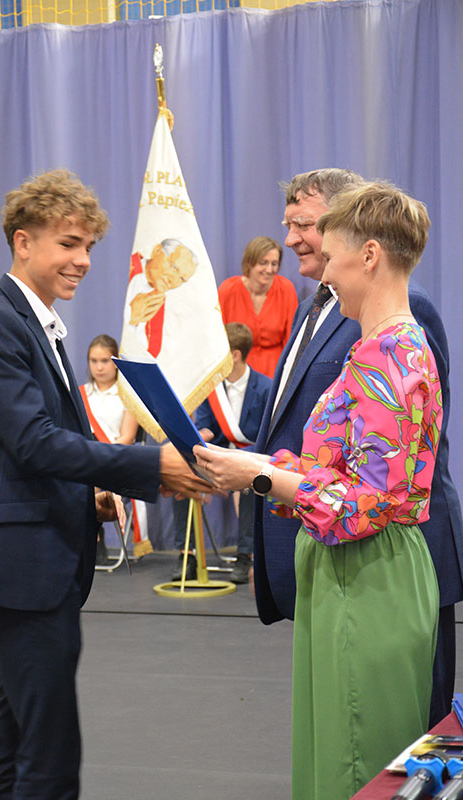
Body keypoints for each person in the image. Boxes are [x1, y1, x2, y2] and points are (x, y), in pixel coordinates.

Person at [0, 169, 212, 800]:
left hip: (35, 564)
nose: (84, 260)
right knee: (49, 760)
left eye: (89, 246)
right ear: (23, 242)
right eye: (69, 243)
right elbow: (34, 442)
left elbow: (28, 454)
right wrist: (151, 466)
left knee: (20, 742)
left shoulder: (34, 323)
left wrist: (87, 496)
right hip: (18, 569)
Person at [195, 181, 441, 799]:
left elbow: (364, 505)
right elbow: (337, 470)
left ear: (370, 255)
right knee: (338, 754)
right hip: (350, 574)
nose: (323, 274)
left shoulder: (393, 355)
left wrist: (257, 477)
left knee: (356, 766)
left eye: (331, 258)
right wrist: (258, 463)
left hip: (368, 575)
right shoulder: (379, 348)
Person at [252, 168, 463, 729]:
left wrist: (263, 478)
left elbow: (409, 459)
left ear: (364, 247)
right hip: (337, 552)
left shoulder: (399, 323)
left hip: (383, 559)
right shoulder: (319, 306)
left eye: (308, 225)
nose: (294, 239)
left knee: (403, 740)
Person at [171, 322, 271, 583]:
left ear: (235, 355)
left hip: (250, 459)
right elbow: (205, 429)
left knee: (255, 482)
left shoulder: (266, 388)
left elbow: (267, 438)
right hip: (216, 458)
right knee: (180, 477)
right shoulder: (211, 389)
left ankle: (245, 555)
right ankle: (187, 554)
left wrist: (243, 459)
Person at [79, 334, 151, 563]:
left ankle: (93, 532)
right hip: (85, 461)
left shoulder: (127, 395)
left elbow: (127, 438)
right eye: (94, 361)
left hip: (118, 460)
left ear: (116, 362)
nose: (99, 367)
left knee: (88, 477)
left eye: (105, 361)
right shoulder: (79, 394)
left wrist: (99, 457)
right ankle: (90, 534)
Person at [218, 236, 298, 378]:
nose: (269, 269)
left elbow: (291, 340)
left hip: (276, 373)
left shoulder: (286, 289)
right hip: (236, 372)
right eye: (263, 263)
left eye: (274, 264)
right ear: (250, 263)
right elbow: (219, 337)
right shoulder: (228, 290)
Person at [124, 239, 198, 357]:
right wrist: (130, 316)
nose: (173, 280)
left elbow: (151, 351)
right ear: (156, 251)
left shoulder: (157, 300)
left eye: (182, 279)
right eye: (174, 267)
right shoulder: (124, 268)